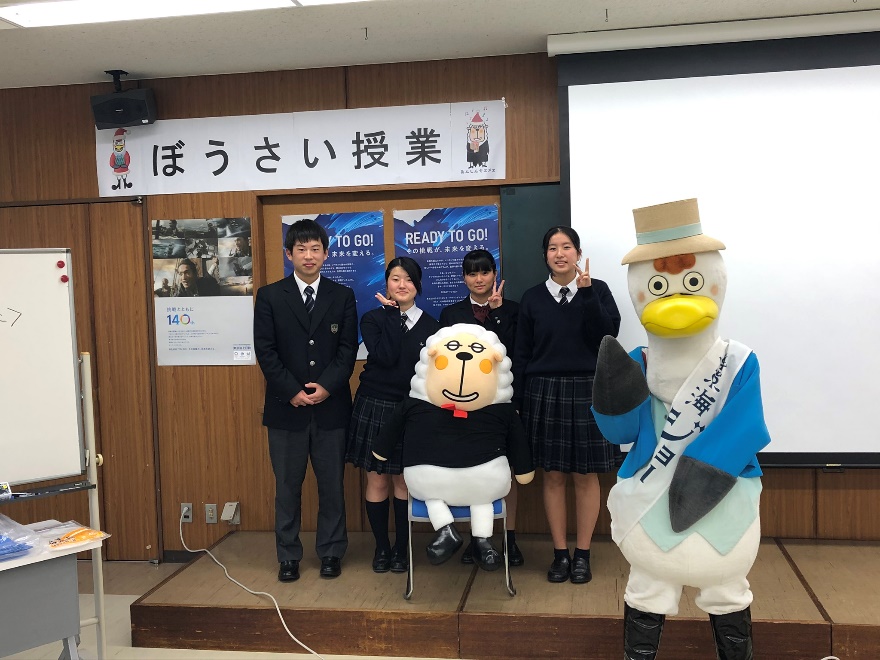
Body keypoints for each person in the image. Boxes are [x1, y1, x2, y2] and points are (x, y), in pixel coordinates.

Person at [512, 226, 622, 585]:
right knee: (554, 475)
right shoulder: (532, 298)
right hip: (544, 391)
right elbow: (522, 354)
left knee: (586, 475)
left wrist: (587, 294)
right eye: (553, 248)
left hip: (588, 389)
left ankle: (583, 554)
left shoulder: (598, 290)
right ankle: (560, 554)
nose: (560, 254)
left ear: (578, 253)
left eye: (567, 247)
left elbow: (607, 336)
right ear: (545, 255)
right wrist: (521, 401)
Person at [254, 219, 358, 583]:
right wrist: (292, 391)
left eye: (315, 249)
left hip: (332, 408)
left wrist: (327, 387)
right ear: (289, 254)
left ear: (326, 254)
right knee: (287, 487)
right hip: (286, 409)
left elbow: (347, 351)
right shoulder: (269, 296)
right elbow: (265, 352)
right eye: (301, 249)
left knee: (332, 486)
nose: (309, 256)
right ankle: (288, 555)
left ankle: (331, 551)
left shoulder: (343, 296)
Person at [346, 257, 439, 574]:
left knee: (403, 482)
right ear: (386, 283)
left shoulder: (432, 326)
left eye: (409, 280)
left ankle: (402, 549)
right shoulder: (373, 319)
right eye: (396, 279)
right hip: (375, 404)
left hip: (410, 409)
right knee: (378, 480)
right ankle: (381, 549)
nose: (402, 285)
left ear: (418, 286)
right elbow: (384, 357)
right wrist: (393, 317)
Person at [439, 249, 525, 566]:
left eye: (485, 272)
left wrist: (498, 314)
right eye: (472, 273)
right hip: (463, 408)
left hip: (502, 406)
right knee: (470, 473)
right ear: (464, 278)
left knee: (505, 474)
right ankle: (477, 540)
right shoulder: (451, 314)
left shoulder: (514, 310)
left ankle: (509, 539)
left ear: (494, 274)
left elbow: (516, 354)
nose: (479, 279)